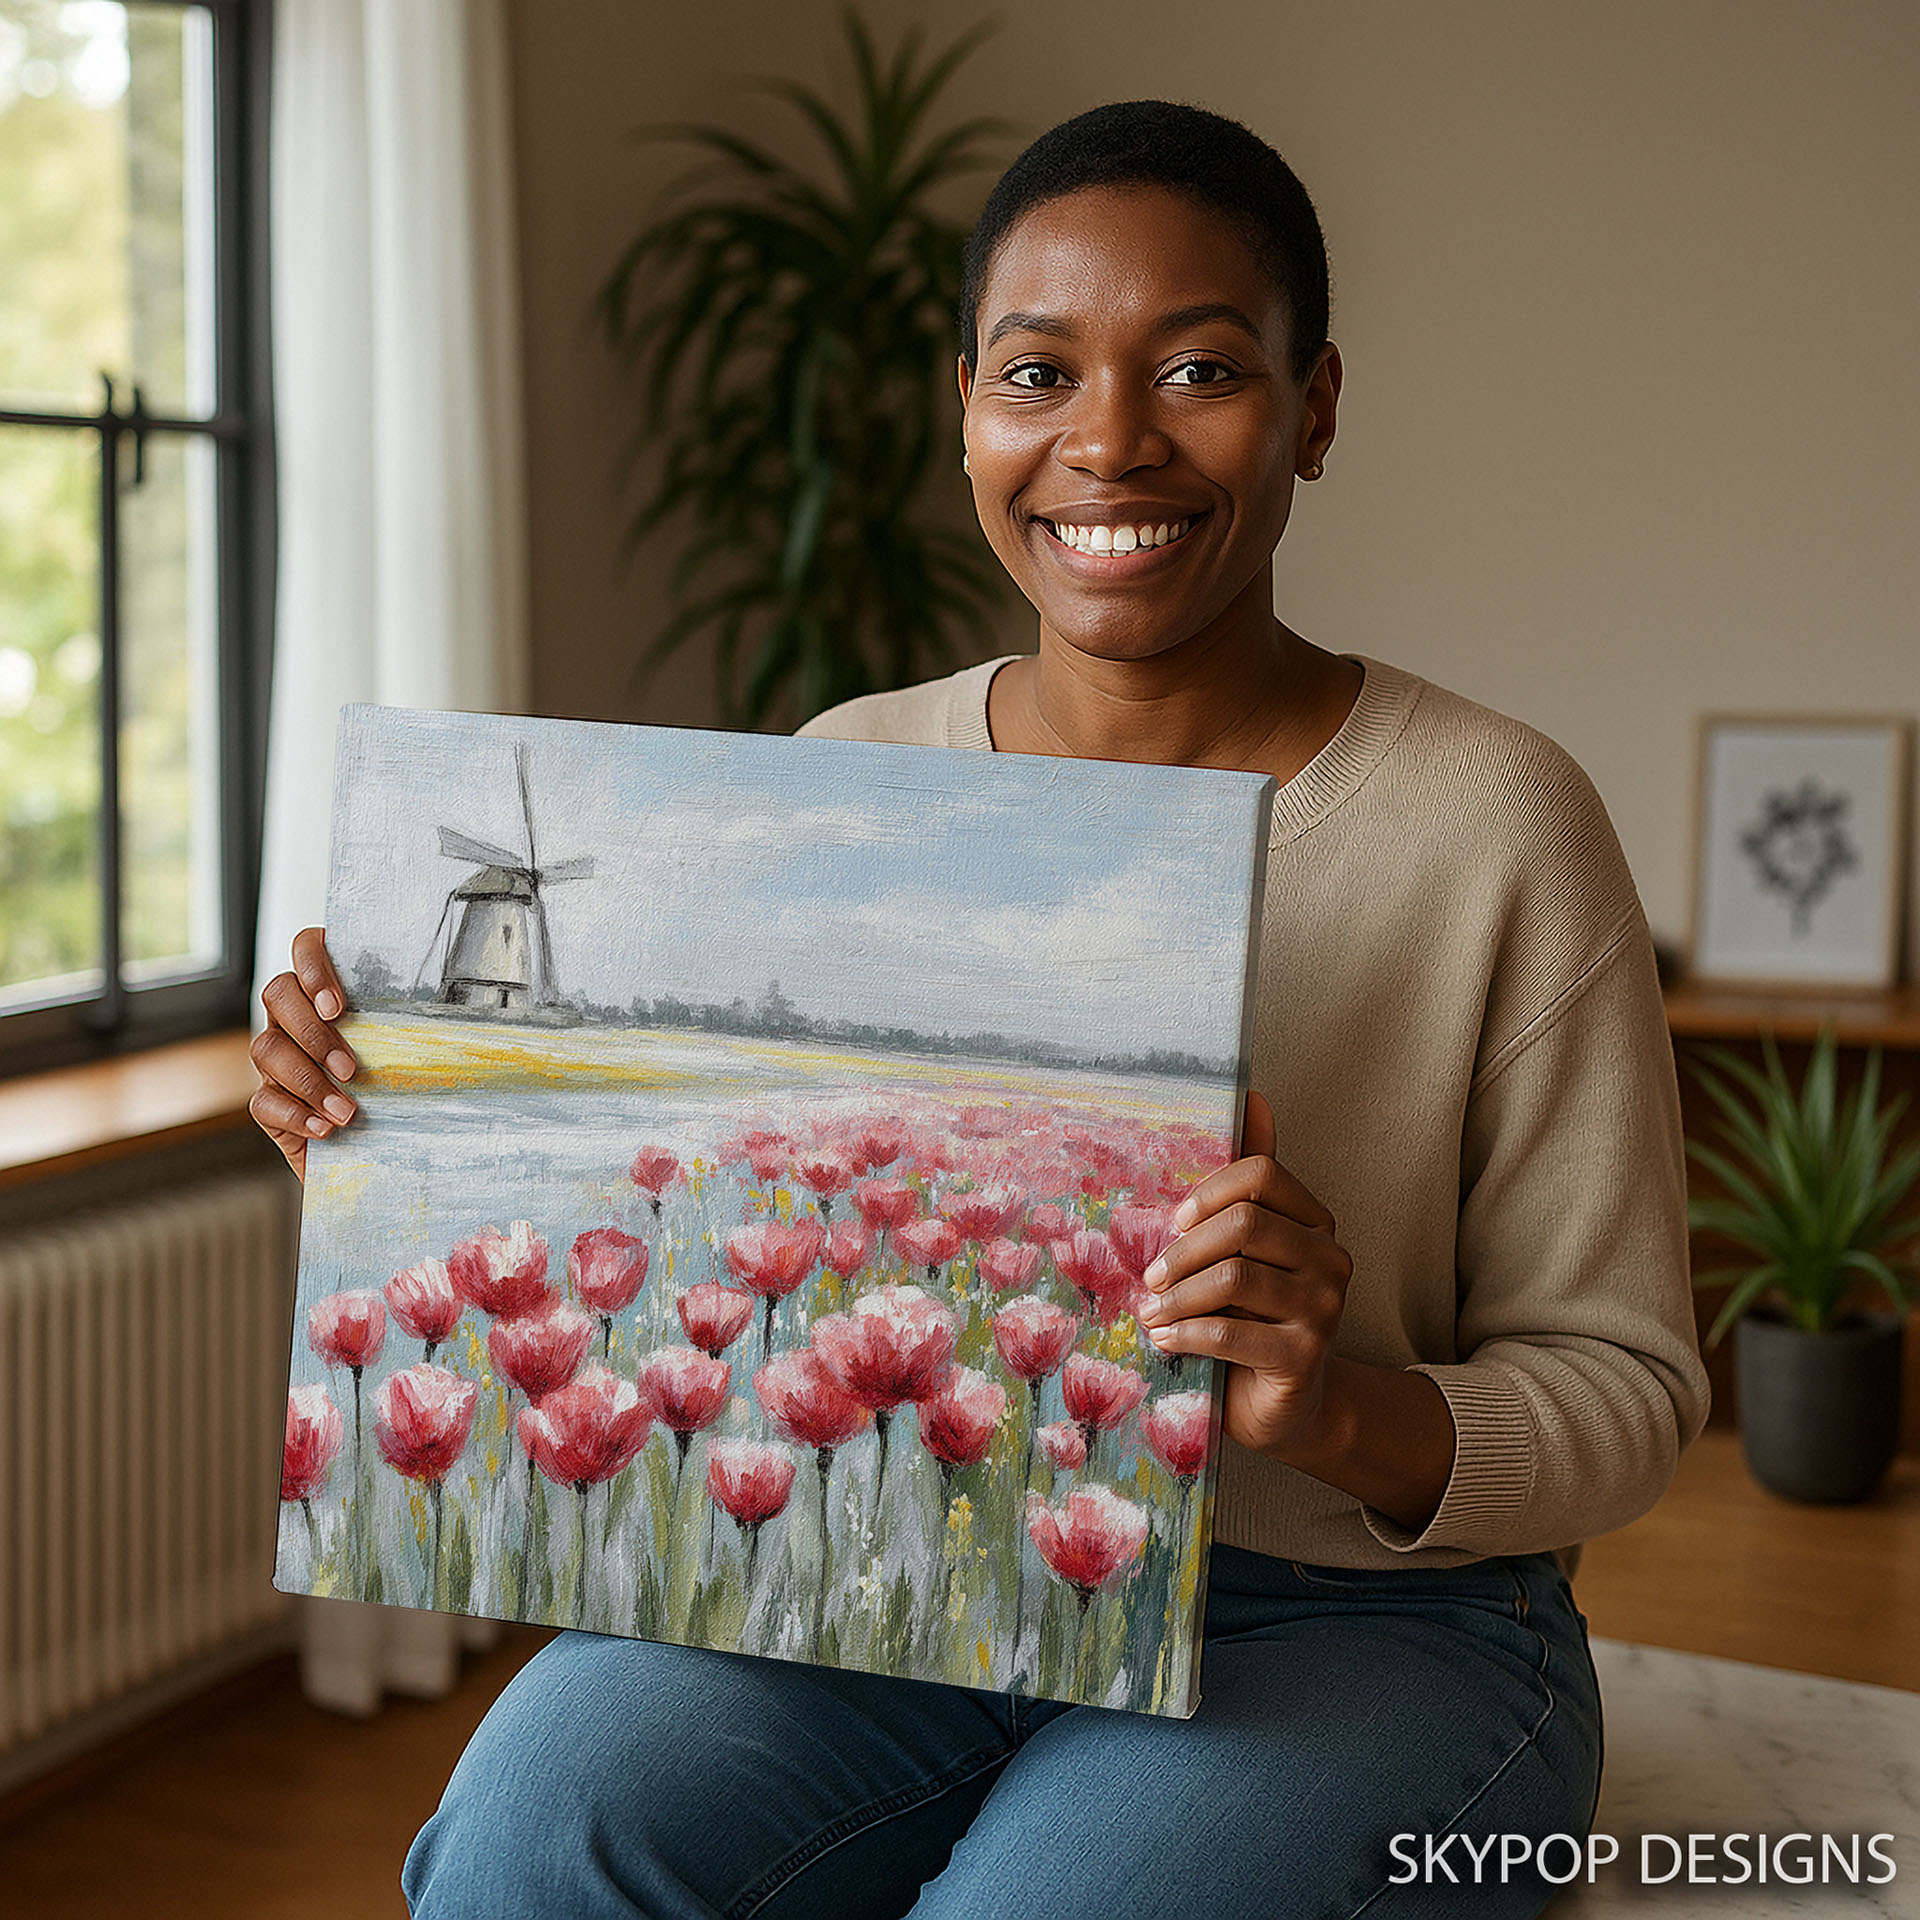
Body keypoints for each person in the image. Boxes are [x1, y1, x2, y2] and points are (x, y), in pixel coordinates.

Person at [251, 101, 1709, 1918]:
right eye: (1040, 373)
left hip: (1368, 1621)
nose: (1110, 438)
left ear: (1316, 406)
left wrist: (1333, 1408)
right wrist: (398, 1121)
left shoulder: (1497, 819)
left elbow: (1633, 1392)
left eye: (1200, 367)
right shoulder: (847, 770)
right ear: (966, 414)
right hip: (912, 1578)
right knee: (526, 1839)